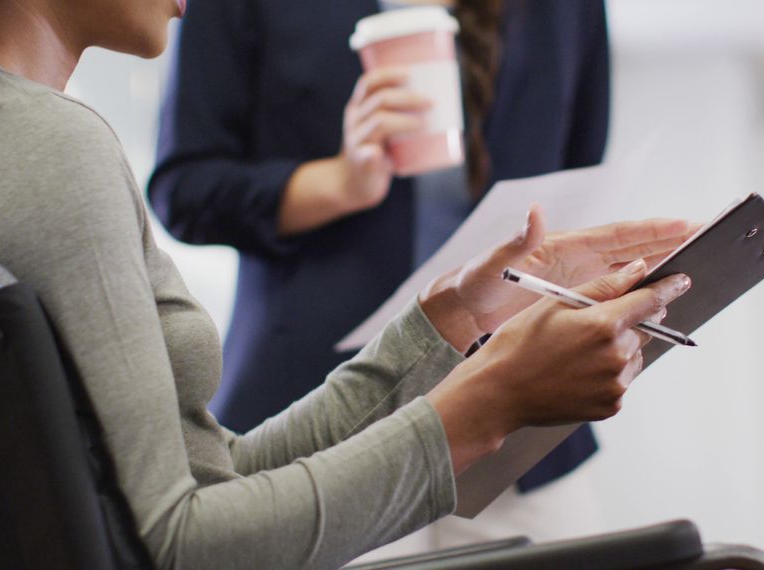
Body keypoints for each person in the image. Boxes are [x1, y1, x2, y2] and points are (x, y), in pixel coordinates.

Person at [0, 0, 693, 568]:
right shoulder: (36, 149)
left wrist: (442, 329)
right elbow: (180, 548)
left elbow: (212, 482)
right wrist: (489, 407)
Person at [147, 0, 613, 539]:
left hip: (522, 429)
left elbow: (578, 171)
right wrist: (339, 183)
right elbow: (184, 189)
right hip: (317, 419)